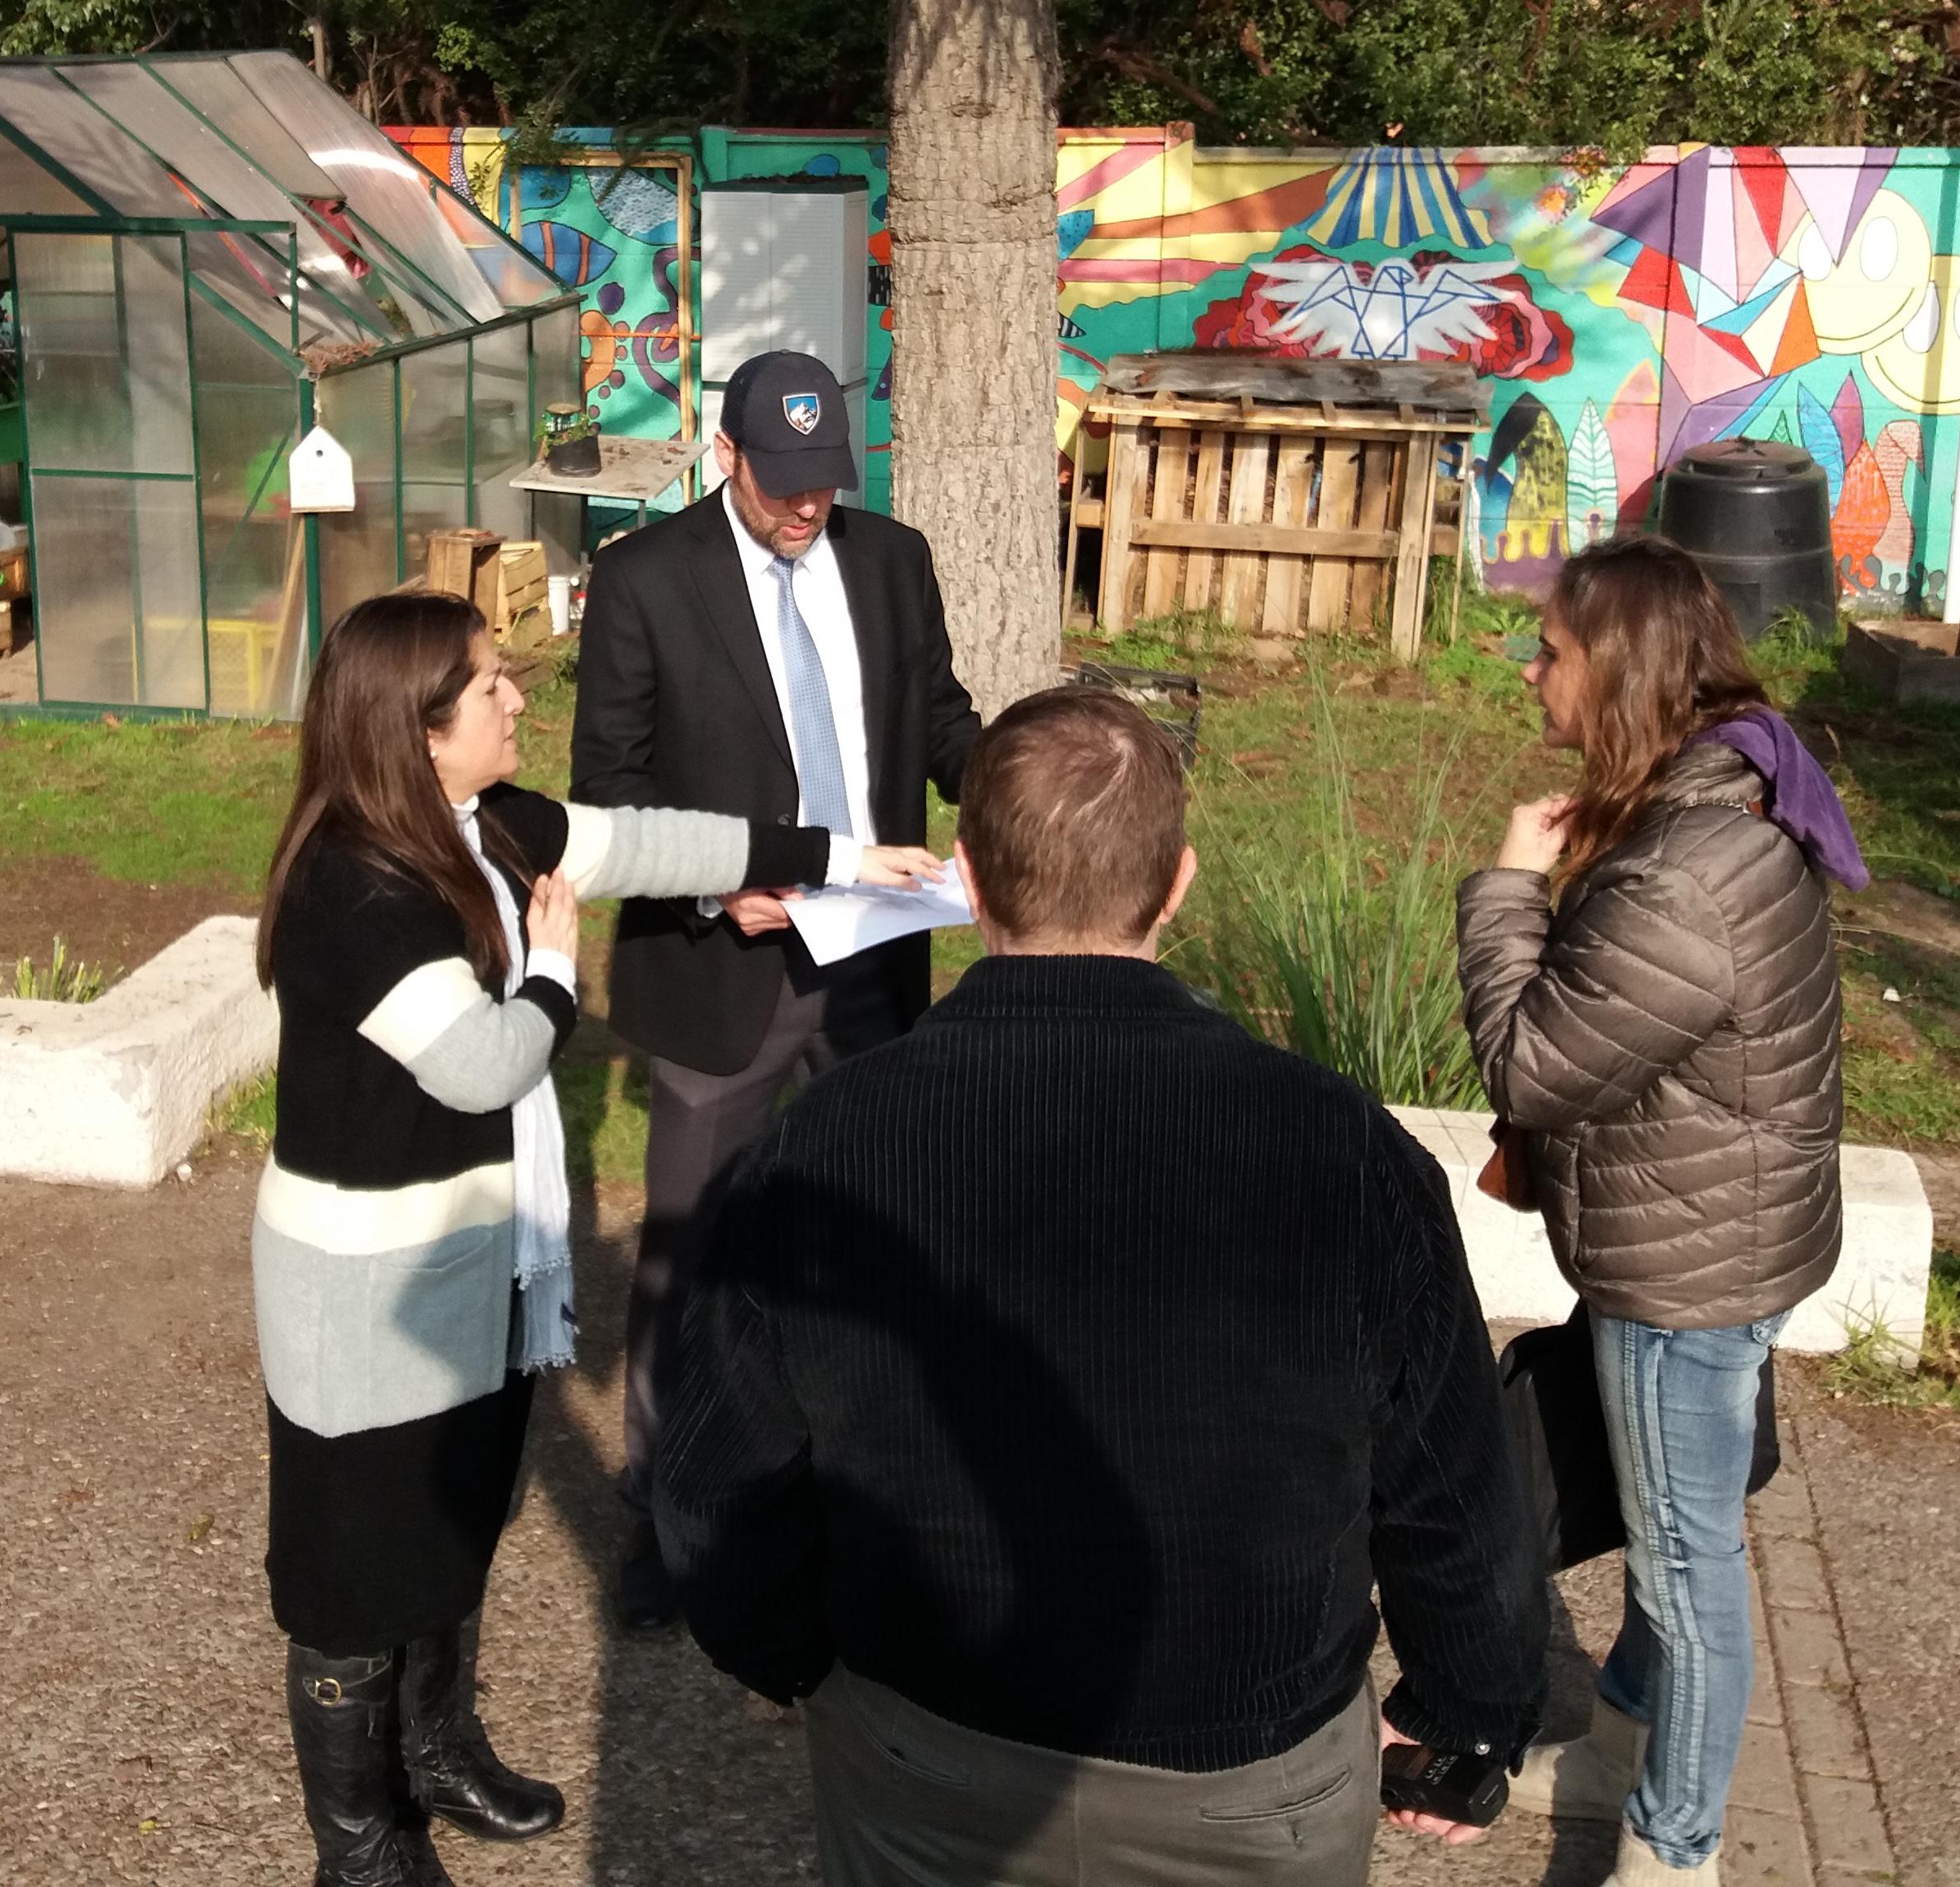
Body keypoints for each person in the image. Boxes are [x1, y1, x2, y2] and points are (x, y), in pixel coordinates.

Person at [652, 685, 1547, 1887]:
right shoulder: (1347, 1153)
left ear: (965, 879)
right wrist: (1467, 1708)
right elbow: (1449, 1484)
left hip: (929, 1753)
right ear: (1176, 882)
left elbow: (720, 1481)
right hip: (1248, 1784)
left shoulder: (823, 1145)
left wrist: (797, 1662)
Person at [252, 590, 933, 1887]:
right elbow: (483, 1062)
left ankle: (438, 1750)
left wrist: (839, 854)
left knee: (456, 1524)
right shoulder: (357, 883)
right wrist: (559, 974)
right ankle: (359, 1846)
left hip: (472, 1268)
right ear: (419, 725)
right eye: (490, 682)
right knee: (354, 1584)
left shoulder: (486, 827)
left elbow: (642, 840)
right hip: (366, 1297)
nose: (518, 696)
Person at [1457, 536, 1863, 1887]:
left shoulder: (1686, 871)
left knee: (1691, 1576)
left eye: (1554, 652)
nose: (1534, 672)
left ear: (1618, 670)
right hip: (1722, 1229)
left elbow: (1532, 1065)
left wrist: (1509, 884)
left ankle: (1675, 1847)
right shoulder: (1727, 785)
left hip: (1686, 1272)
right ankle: (1626, 1746)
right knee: (1675, 1525)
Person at [570, 347, 982, 1630]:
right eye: (783, 482)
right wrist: (712, 885)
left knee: (866, 1250)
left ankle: (852, 1503)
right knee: (687, 1263)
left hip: (875, 968)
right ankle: (666, 1520)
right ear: (727, 453)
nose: (808, 507)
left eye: (826, 483)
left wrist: (1019, 807)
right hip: (721, 974)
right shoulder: (646, 581)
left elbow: (943, 720)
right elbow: (610, 785)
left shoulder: (891, 559)